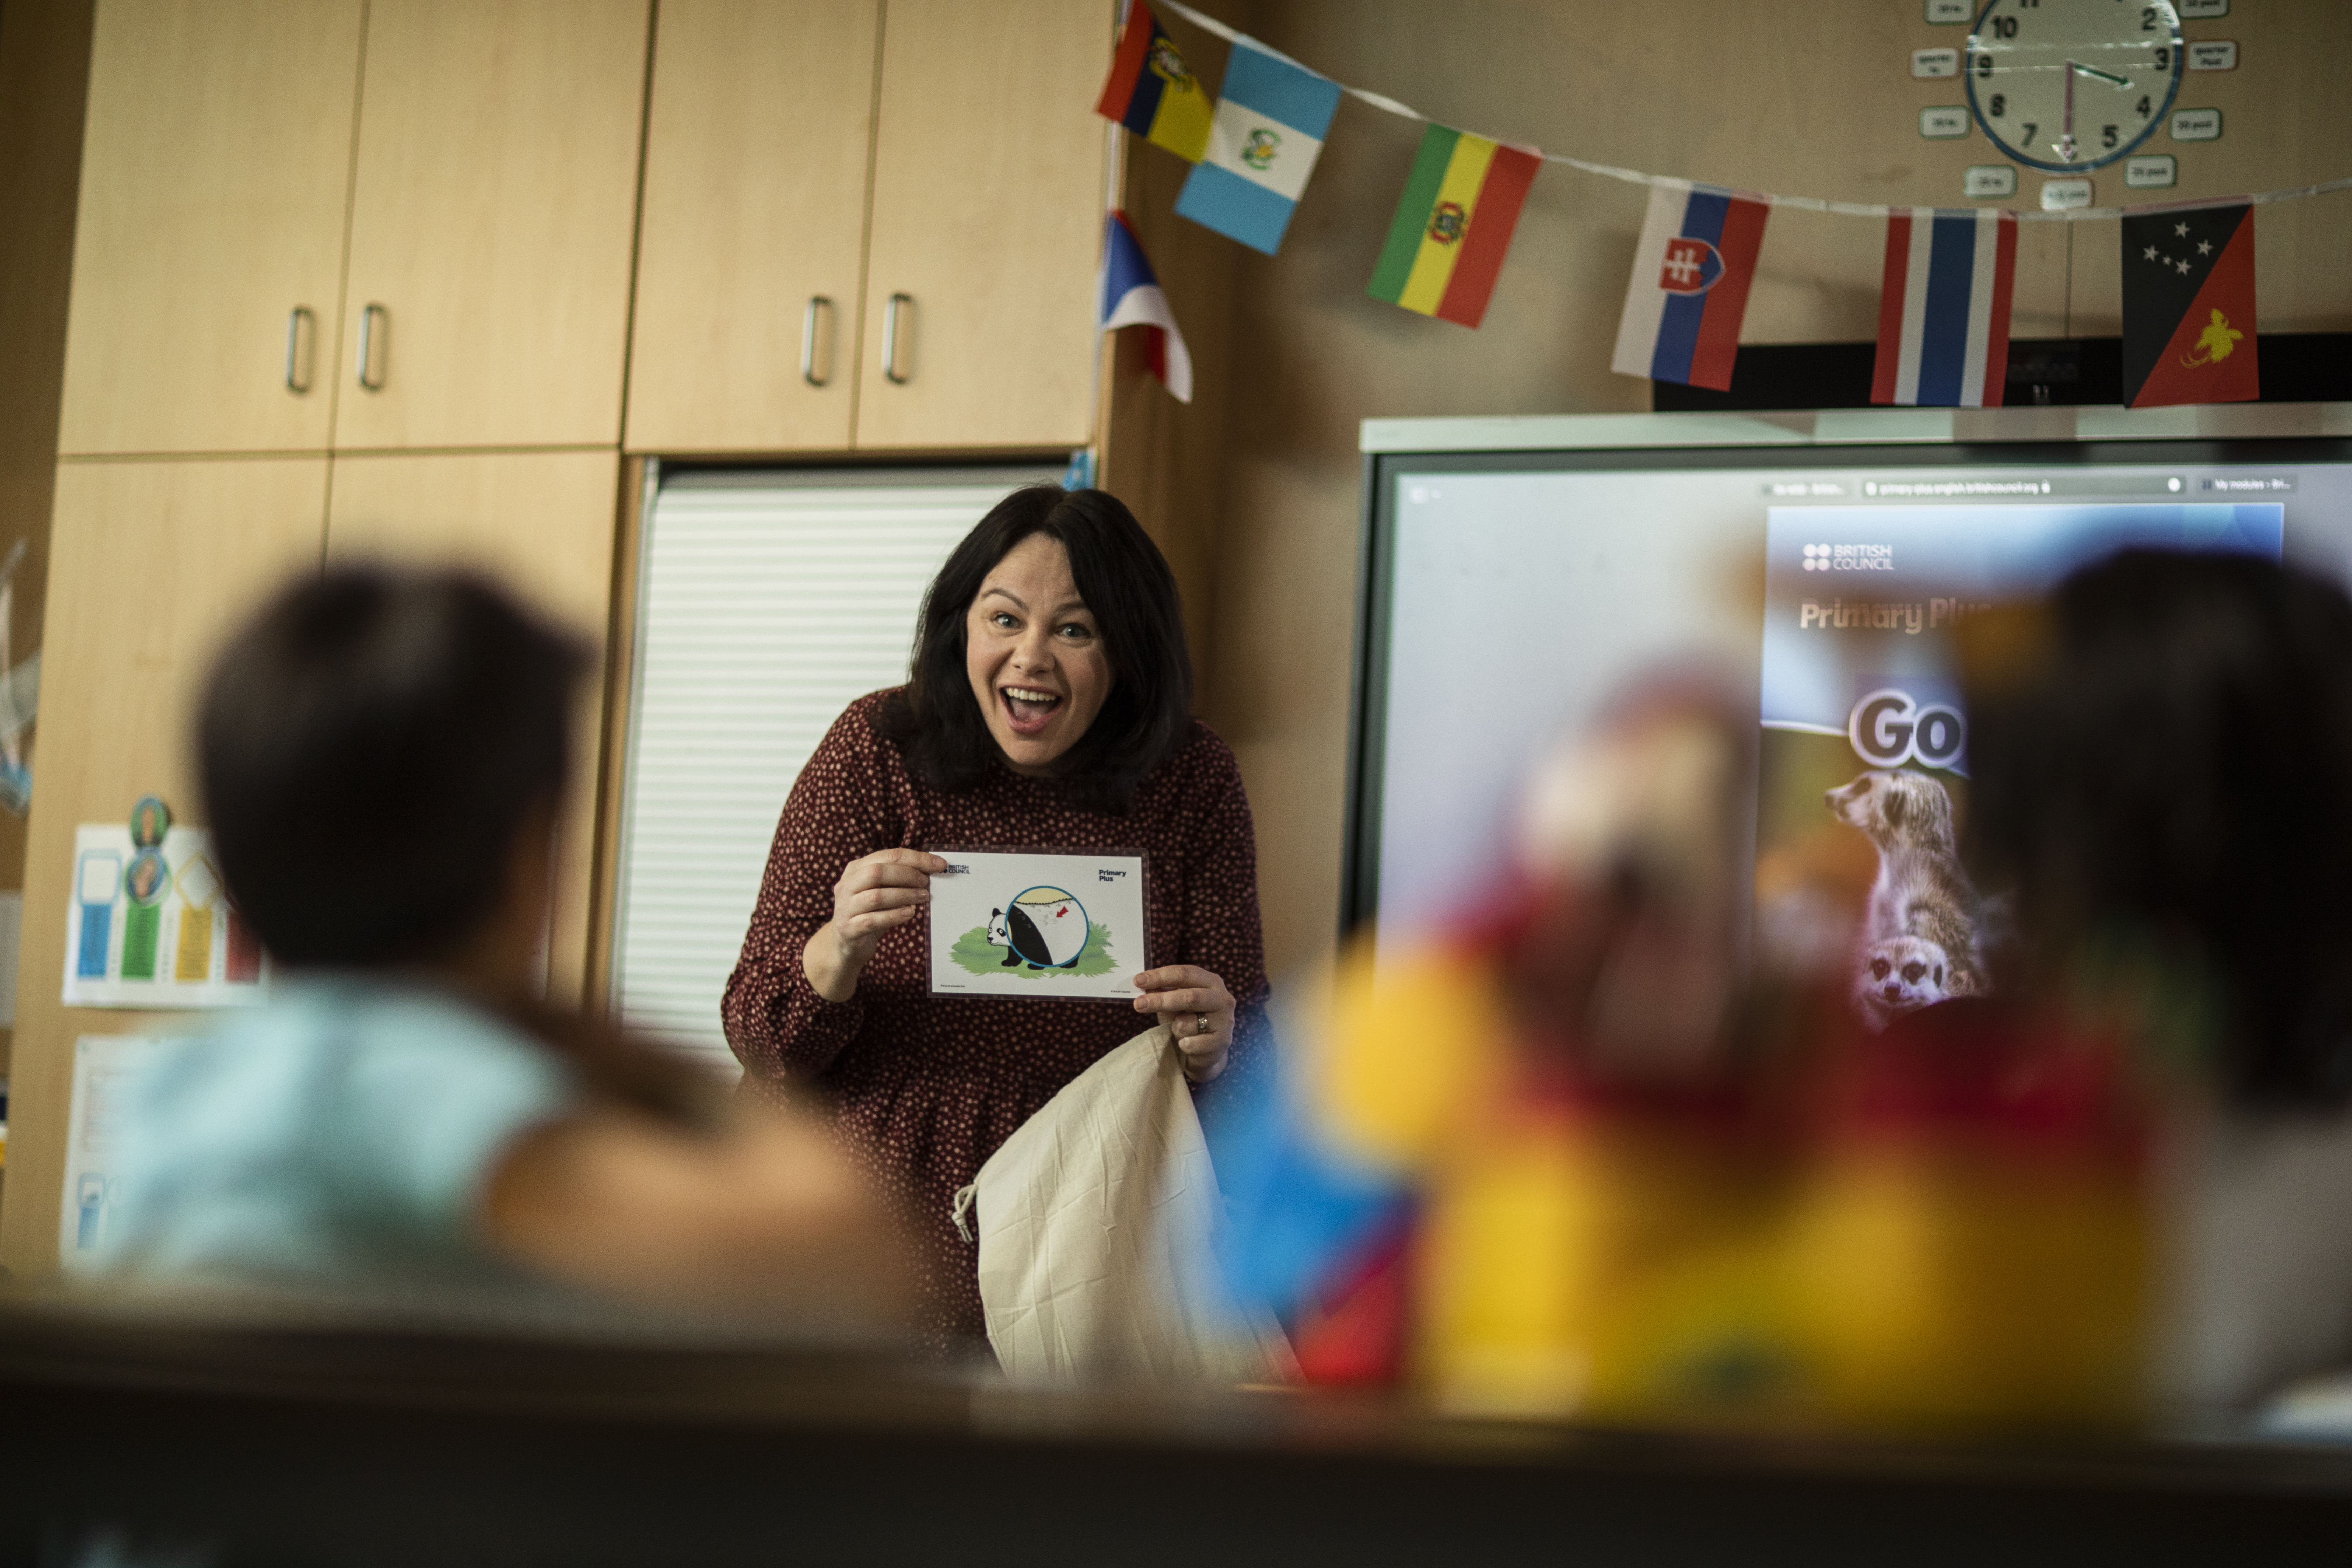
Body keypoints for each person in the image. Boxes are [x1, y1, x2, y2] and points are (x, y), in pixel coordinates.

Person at [103, 566, 905, 1323]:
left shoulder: (191, 1072)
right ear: (529, 855)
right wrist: (621, 1050)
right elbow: (850, 1254)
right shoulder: (397, 1070)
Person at [724, 485, 1270, 1354]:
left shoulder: (1191, 780)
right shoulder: (876, 746)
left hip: (1089, 1232)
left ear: (1129, 649)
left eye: (1075, 630)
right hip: (864, 1226)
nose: (1032, 658)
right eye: (1005, 619)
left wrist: (1219, 1041)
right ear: (962, 627)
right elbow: (759, 1034)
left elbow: (1252, 1076)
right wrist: (835, 951)